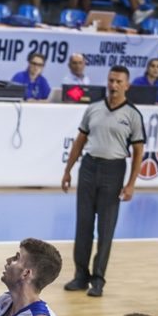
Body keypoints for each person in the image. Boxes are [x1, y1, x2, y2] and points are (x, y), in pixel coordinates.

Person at [61, 65, 146, 297]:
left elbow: (138, 152)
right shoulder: (93, 108)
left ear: (127, 85)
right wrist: (68, 170)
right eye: (111, 80)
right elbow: (80, 141)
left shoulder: (133, 115)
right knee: (83, 226)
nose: (113, 85)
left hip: (114, 170)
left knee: (106, 228)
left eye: (118, 81)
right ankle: (80, 276)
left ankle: (98, 280)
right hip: (89, 167)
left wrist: (131, 184)